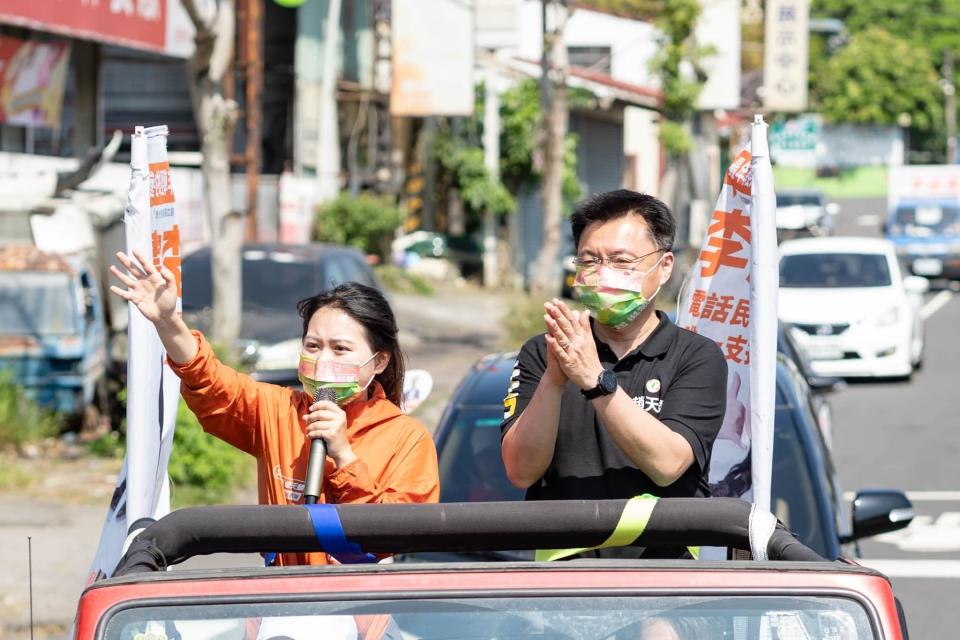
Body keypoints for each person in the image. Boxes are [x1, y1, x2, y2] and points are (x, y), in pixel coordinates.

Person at [110, 250, 440, 566]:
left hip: (362, 614)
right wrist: (169, 322)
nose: (323, 359)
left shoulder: (408, 439)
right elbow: (211, 382)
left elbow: (395, 537)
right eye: (313, 346)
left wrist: (344, 457)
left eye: (340, 349)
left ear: (380, 360)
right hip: (279, 606)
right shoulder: (278, 410)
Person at [500, 190, 727, 559]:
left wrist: (596, 380)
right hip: (563, 587)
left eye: (622, 261)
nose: (604, 274)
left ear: (664, 266)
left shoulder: (697, 356)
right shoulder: (544, 352)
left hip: (664, 587)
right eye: (590, 261)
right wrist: (555, 381)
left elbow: (667, 464)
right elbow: (521, 471)